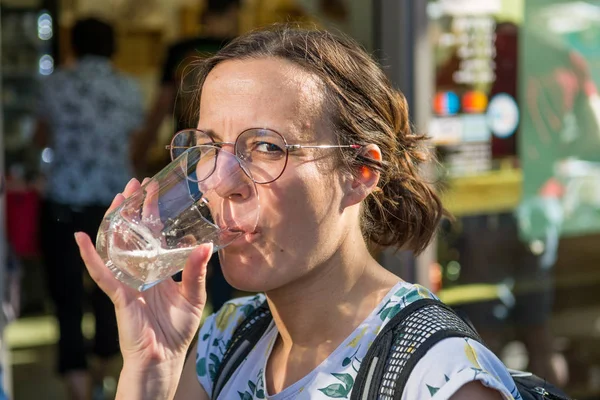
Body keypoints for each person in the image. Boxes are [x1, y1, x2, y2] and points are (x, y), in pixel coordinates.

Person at [75, 25, 519, 399]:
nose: (219, 183)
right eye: (209, 147)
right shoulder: (227, 337)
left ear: (360, 171)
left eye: (267, 147)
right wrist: (151, 367)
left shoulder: (437, 377)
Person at [34, 17, 143, 400]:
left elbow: (40, 139)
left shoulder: (55, 85)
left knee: (65, 295)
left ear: (73, 46)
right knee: (111, 291)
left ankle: (76, 384)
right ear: (112, 46)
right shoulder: (128, 88)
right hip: (114, 206)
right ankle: (104, 374)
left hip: (62, 202)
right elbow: (135, 144)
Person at [131, 0, 240, 313]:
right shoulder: (239, 49)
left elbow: (162, 105)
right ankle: (221, 314)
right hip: (230, 156)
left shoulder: (180, 50)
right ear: (230, 13)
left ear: (203, 17)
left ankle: (177, 305)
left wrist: (142, 151)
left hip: (187, 155)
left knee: (178, 233)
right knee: (223, 232)